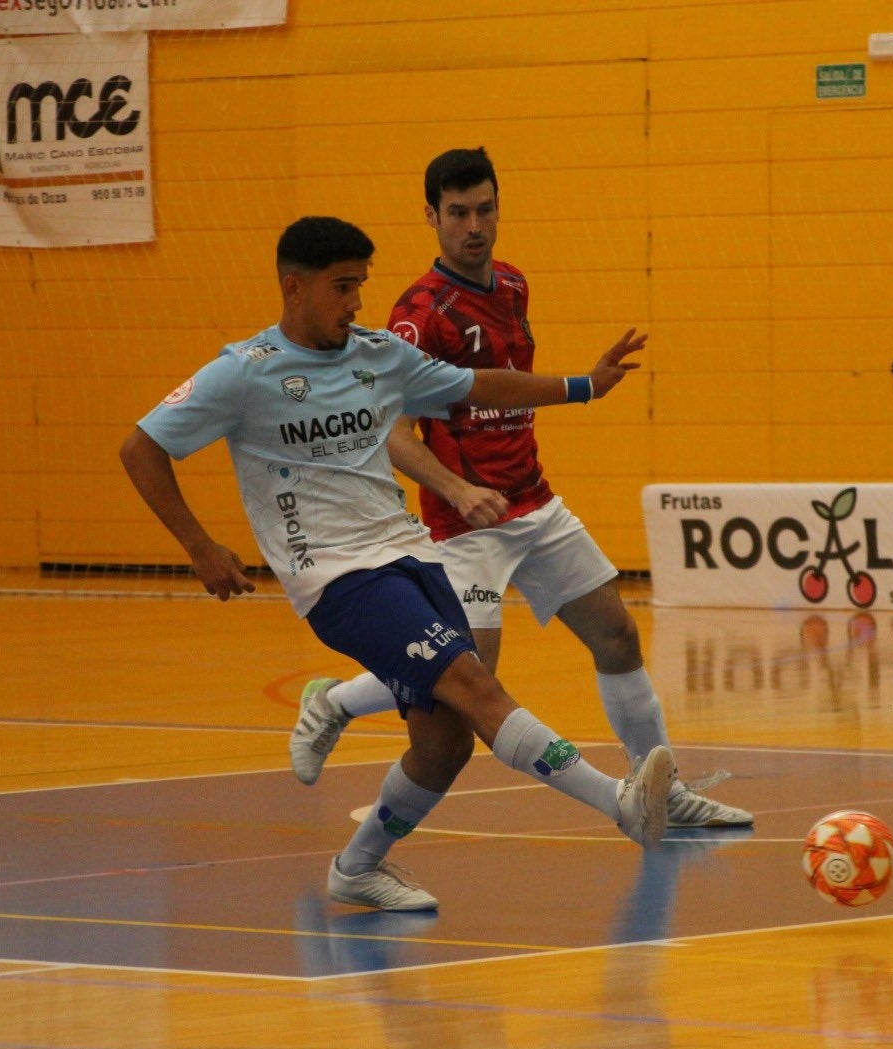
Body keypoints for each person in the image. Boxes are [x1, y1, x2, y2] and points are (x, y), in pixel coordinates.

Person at [120, 215, 675, 912]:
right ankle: (620, 804)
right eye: (341, 287)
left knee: (445, 745)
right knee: (475, 684)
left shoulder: (378, 354)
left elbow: (476, 386)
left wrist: (582, 386)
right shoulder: (243, 372)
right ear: (294, 288)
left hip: (411, 555)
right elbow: (141, 448)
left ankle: (356, 868)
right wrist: (200, 547)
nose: (356, 301)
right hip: (337, 578)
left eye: (360, 284)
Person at [289, 148, 752, 830]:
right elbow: (392, 434)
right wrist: (457, 488)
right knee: (466, 677)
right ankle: (334, 702)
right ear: (431, 217)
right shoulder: (420, 313)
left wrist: (585, 385)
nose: (473, 226)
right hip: (464, 526)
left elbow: (502, 389)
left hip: (534, 503)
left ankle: (666, 791)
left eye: (484, 210)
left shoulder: (512, 284)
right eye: (457, 214)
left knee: (618, 636)